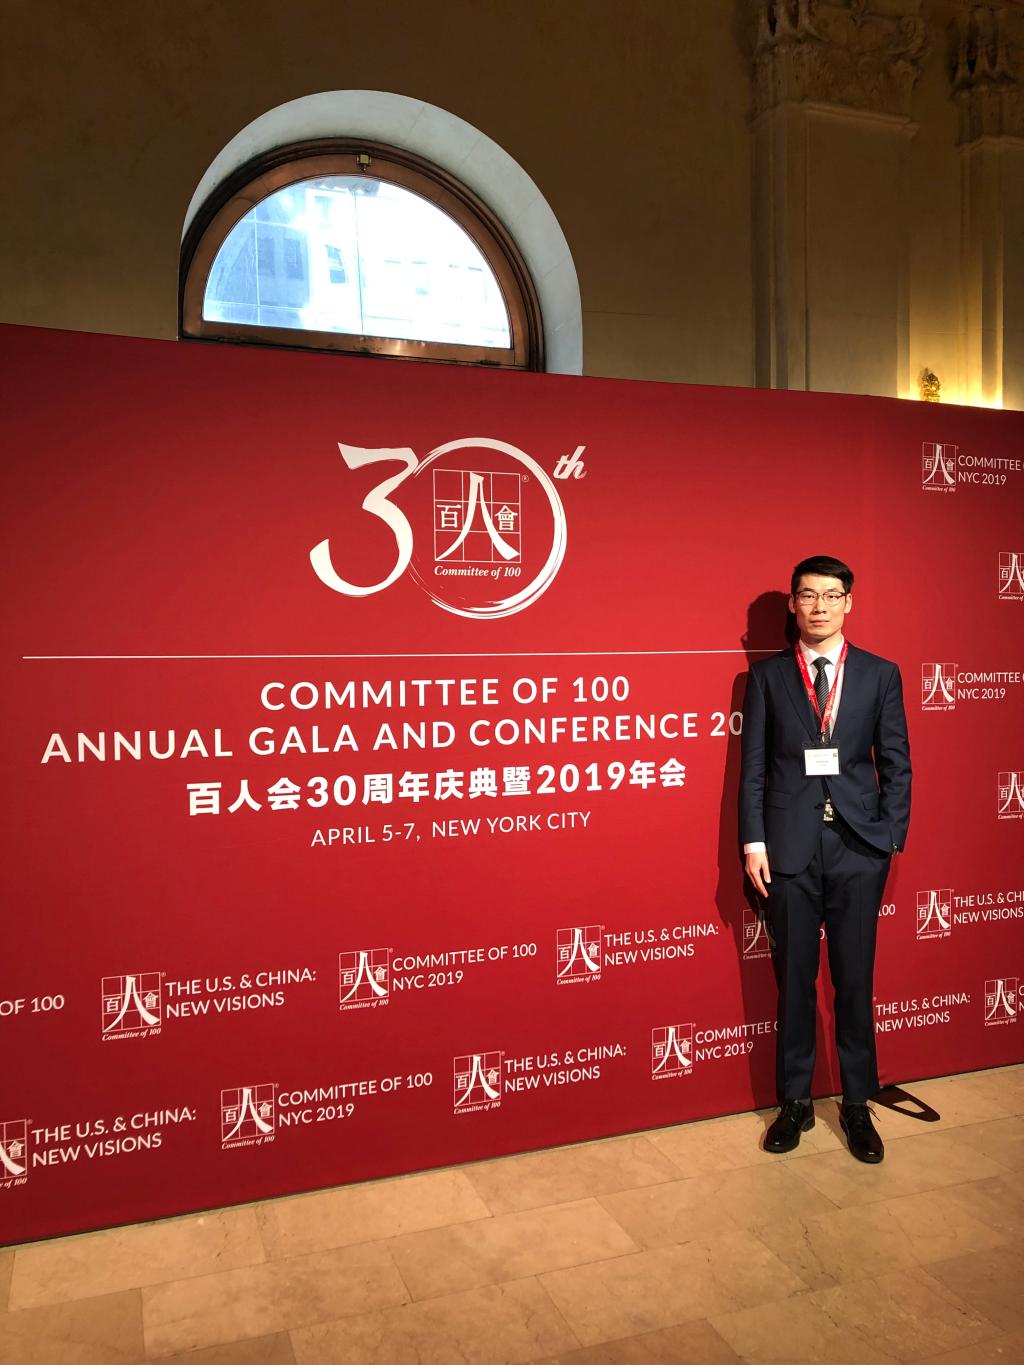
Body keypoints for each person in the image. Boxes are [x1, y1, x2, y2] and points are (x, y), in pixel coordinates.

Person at [739, 555, 911, 1163]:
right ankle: (795, 1102)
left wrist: (890, 837)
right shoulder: (767, 678)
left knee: (855, 980)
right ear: (793, 603)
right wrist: (754, 842)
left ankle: (858, 1104)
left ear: (848, 603)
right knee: (793, 982)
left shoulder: (880, 674)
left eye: (831, 595)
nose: (819, 607)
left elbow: (897, 762)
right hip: (787, 850)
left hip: (859, 849)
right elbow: (754, 769)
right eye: (808, 595)